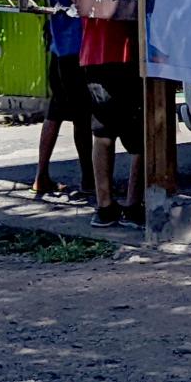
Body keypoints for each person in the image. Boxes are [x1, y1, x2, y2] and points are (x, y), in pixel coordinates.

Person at [31, 0, 94, 201]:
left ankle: (41, 174)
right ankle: (89, 179)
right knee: (82, 115)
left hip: (57, 41)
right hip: (76, 42)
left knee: (56, 110)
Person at [82, 15, 144, 228]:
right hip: (131, 51)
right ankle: (133, 206)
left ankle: (105, 206)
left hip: (96, 53)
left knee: (103, 132)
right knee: (142, 135)